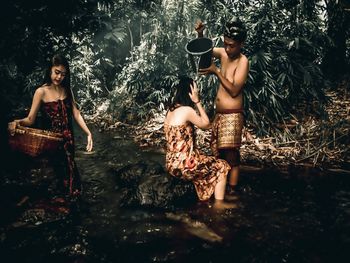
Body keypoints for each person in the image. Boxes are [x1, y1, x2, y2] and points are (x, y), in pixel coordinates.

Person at [8, 54, 93, 200]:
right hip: (53, 142)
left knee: (71, 173)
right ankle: (66, 207)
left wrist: (89, 133)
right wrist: (17, 122)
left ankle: (70, 206)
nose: (59, 77)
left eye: (63, 74)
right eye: (57, 72)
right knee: (63, 176)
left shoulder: (66, 90)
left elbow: (76, 113)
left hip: (69, 140)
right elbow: (30, 119)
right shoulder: (41, 92)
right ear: (50, 70)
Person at [195, 17, 249, 193]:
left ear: (241, 43)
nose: (227, 48)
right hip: (220, 115)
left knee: (231, 154)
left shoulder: (243, 61)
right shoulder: (224, 53)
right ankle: (221, 189)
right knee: (219, 154)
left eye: (232, 45)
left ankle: (233, 192)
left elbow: (234, 90)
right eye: (225, 44)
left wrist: (216, 71)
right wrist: (200, 33)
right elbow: (205, 51)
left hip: (233, 114)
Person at [164, 76, 231, 205]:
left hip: (171, 164)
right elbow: (206, 125)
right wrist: (197, 101)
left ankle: (204, 196)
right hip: (184, 165)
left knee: (208, 161)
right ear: (190, 92)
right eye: (195, 90)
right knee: (222, 166)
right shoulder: (187, 110)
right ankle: (219, 206)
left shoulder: (170, 111)